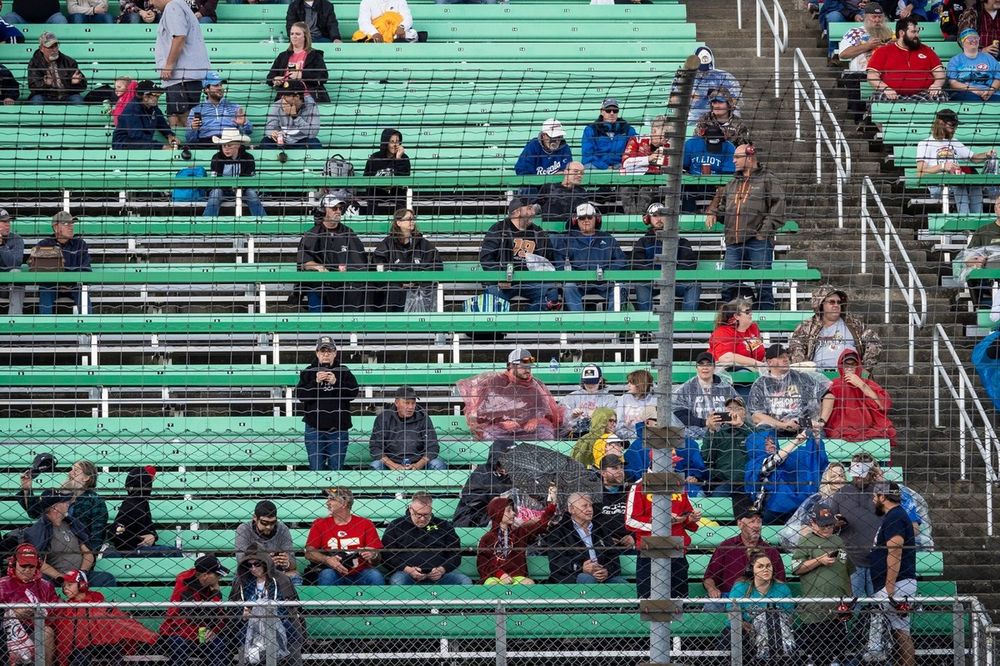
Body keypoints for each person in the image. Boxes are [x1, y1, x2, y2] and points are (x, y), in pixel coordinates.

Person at [705, 143, 785, 310]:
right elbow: (723, 210)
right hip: (733, 241)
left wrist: (763, 233)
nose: (733, 161)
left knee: (763, 286)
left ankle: (766, 323)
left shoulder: (768, 179)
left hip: (758, 241)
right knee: (728, 286)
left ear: (750, 157)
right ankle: (730, 324)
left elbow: (778, 209)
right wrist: (712, 212)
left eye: (737, 157)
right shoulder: (732, 183)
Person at [54, 569, 159, 666]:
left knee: (116, 654)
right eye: (64, 586)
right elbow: (65, 634)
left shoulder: (98, 603)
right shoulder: (67, 608)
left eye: (70, 585)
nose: (65, 588)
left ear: (82, 585)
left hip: (107, 644)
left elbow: (122, 621)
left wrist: (150, 636)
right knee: (80, 658)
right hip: (81, 647)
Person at [790, 505, 852, 666]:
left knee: (838, 652)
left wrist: (849, 597)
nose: (827, 529)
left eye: (830, 525)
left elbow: (847, 569)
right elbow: (796, 568)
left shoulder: (838, 540)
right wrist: (819, 560)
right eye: (823, 525)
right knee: (819, 653)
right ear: (813, 523)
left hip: (838, 605)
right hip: (815, 607)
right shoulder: (806, 540)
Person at [457, 348, 562, 441]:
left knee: (547, 433)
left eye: (529, 367)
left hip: (529, 429)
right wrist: (502, 422)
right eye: (523, 366)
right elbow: (482, 413)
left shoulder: (535, 385)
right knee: (491, 435)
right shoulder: (494, 382)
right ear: (511, 366)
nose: (527, 370)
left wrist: (536, 420)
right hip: (501, 430)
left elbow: (546, 411)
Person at [228, 545, 305, 665]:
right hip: (249, 625)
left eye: (257, 564)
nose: (253, 568)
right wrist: (242, 615)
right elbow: (232, 610)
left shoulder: (281, 579)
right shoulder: (241, 582)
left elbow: (291, 609)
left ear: (265, 563)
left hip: (280, 622)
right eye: (249, 565)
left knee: (289, 630)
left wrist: (267, 614)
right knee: (243, 633)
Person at [22, 490, 116, 588]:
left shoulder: (72, 524)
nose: (68, 504)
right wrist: (60, 577)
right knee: (43, 581)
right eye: (64, 502)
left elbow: (88, 553)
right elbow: (37, 562)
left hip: (80, 576)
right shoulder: (39, 530)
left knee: (107, 579)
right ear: (55, 508)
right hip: (56, 578)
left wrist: (81, 573)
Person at [626, 473, 700, 598]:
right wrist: (661, 524)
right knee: (650, 602)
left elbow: (685, 514)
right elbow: (630, 521)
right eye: (671, 462)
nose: (673, 467)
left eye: (674, 463)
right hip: (650, 546)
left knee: (678, 600)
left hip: (676, 545)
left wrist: (689, 519)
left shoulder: (676, 483)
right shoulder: (640, 485)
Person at [869, 482, 918, 666]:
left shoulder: (895, 516)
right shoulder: (895, 515)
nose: (873, 500)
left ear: (883, 497)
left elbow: (895, 550)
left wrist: (889, 589)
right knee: (900, 630)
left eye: (875, 496)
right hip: (897, 582)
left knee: (898, 631)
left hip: (896, 584)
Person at [479, 197, 558, 311]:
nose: (533, 212)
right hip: (505, 281)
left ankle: (528, 324)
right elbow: (486, 258)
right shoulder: (499, 229)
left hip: (531, 281)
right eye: (529, 209)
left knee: (551, 292)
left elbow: (549, 259)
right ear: (516, 212)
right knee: (492, 294)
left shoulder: (538, 232)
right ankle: (504, 327)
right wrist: (500, 277)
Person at [294, 335, 360, 470]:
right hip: (314, 429)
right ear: (317, 353)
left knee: (336, 469)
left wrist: (336, 383)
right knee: (316, 469)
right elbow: (301, 395)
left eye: (329, 351)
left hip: (338, 429)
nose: (326, 354)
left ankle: (333, 492)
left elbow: (353, 393)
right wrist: (316, 382)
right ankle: (318, 492)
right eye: (322, 351)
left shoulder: (344, 371)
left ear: (335, 353)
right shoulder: (308, 372)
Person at [296, 195, 369, 312]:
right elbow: (304, 262)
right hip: (321, 283)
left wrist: (349, 269)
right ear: (324, 210)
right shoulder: (312, 234)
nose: (338, 211)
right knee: (314, 289)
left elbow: (360, 260)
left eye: (340, 208)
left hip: (345, 283)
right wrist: (318, 267)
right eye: (334, 208)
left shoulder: (348, 232)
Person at [915, 108, 995, 214]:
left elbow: (974, 158)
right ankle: (965, 221)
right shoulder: (925, 143)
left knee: (975, 185)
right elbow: (920, 173)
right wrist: (942, 166)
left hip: (957, 183)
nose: (954, 128)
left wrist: (986, 154)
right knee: (959, 185)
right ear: (941, 123)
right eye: (952, 125)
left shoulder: (955, 142)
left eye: (955, 125)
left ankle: (976, 221)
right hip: (938, 186)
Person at [20, 460, 107, 557]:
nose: (70, 473)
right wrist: (27, 490)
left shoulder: (95, 501)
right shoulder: (58, 496)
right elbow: (34, 513)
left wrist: (87, 559)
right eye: (71, 469)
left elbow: (97, 536)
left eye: (76, 471)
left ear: (86, 478)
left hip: (78, 552)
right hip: (51, 547)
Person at [828, 452, 884, 600]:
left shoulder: (881, 492)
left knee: (880, 605)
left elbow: (896, 512)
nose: (858, 476)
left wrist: (881, 480)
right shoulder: (841, 493)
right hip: (852, 559)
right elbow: (829, 526)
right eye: (856, 471)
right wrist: (836, 523)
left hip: (878, 558)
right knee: (853, 604)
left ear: (871, 472)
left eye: (863, 472)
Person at [381, 492, 472, 585]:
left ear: (431, 510)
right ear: (410, 509)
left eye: (426, 514)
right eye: (418, 514)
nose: (422, 519)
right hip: (406, 575)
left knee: (464, 581)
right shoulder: (396, 526)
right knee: (398, 581)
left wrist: (442, 569)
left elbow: (455, 554)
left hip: (440, 575)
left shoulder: (444, 526)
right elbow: (387, 554)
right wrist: (407, 569)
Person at [788, 285, 884, 370]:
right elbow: (796, 348)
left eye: (839, 303)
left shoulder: (854, 324)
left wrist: (864, 369)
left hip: (850, 377)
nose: (836, 305)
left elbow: (874, 341)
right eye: (832, 302)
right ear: (821, 304)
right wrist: (807, 372)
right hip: (819, 379)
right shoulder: (807, 326)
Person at [745, 429, 828, 526]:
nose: (772, 445)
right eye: (766, 444)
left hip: (795, 509)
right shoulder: (754, 464)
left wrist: (816, 435)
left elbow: (813, 456)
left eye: (773, 442)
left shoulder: (790, 459)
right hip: (769, 511)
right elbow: (772, 462)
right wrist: (795, 442)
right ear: (756, 447)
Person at [553, 202, 626, 312]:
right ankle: (578, 325)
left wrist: (606, 272)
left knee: (619, 288)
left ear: (596, 219)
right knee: (569, 287)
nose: (586, 220)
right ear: (575, 220)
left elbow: (621, 260)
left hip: (604, 280)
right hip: (578, 282)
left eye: (589, 217)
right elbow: (560, 263)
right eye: (582, 218)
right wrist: (575, 275)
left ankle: (612, 325)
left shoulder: (607, 238)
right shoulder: (566, 239)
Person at [726, 550, 796, 664]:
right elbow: (731, 612)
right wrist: (743, 625)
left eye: (768, 566)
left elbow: (788, 616)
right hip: (743, 629)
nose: (765, 569)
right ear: (751, 570)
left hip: (775, 629)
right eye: (760, 566)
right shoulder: (740, 587)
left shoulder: (782, 589)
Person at [159, 554, 230, 666]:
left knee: (219, 644)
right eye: (217, 575)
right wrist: (215, 594)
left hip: (202, 631)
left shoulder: (210, 585)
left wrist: (212, 629)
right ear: (205, 575)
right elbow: (191, 616)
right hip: (180, 632)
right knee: (179, 644)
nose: (219, 578)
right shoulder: (185, 584)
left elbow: (220, 615)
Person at [305, 486, 384, 585]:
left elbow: (377, 558)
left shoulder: (365, 524)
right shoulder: (319, 524)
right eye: (328, 499)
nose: (327, 503)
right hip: (333, 571)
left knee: (375, 576)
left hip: (361, 572)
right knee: (327, 575)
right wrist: (327, 560)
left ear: (344, 503)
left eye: (332, 499)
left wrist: (373, 555)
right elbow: (309, 553)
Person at [631, 202, 702, 312]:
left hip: (675, 282)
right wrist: (658, 275)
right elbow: (637, 264)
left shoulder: (682, 241)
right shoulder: (643, 242)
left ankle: (686, 325)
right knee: (641, 285)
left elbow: (689, 264)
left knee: (694, 284)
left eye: (662, 215)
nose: (659, 219)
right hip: (651, 282)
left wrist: (670, 275)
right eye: (655, 216)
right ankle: (647, 326)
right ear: (648, 219)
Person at [152, 0, 212, 128]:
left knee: (182, 117)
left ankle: (189, 146)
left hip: (181, 76)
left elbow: (179, 36)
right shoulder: (181, 6)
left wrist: (168, 65)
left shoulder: (172, 7)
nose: (151, 3)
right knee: (180, 115)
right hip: (186, 75)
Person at [703, 509, 786, 600]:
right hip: (729, 597)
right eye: (751, 522)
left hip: (762, 599)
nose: (756, 526)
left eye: (759, 522)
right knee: (712, 605)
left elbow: (780, 581)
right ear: (740, 524)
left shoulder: (771, 551)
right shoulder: (726, 547)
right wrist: (712, 589)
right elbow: (709, 578)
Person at [370, 208, 442, 312]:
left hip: (418, 288)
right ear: (398, 222)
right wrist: (400, 282)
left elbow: (436, 264)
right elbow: (378, 265)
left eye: (413, 219)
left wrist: (418, 280)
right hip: (395, 291)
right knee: (392, 289)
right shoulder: (387, 244)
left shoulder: (423, 243)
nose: (412, 221)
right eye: (408, 219)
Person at [476, 492, 556, 585]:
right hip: (494, 577)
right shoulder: (487, 538)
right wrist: (500, 574)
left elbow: (541, 525)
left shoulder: (520, 533)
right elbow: (482, 563)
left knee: (529, 583)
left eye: (512, 510)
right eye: (509, 511)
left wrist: (552, 506)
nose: (513, 513)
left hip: (516, 577)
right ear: (498, 513)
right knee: (493, 586)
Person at [547, 491, 625, 584]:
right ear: (572, 509)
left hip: (601, 574)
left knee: (621, 583)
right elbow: (556, 561)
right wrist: (581, 567)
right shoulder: (559, 531)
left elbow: (613, 557)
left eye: (590, 505)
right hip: (573, 576)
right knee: (588, 579)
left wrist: (607, 571)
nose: (589, 509)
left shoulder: (601, 529)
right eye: (584, 506)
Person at [824, 349, 897, 447]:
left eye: (853, 365)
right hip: (840, 428)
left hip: (866, 427)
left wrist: (861, 385)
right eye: (846, 365)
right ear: (841, 366)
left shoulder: (867, 383)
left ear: (857, 366)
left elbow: (883, 405)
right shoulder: (834, 385)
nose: (849, 368)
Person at [0, 544, 58, 666]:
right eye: (23, 565)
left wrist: (39, 613)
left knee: (47, 631)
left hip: (35, 631)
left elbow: (56, 613)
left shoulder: (46, 586)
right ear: (13, 563)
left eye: (31, 566)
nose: (27, 569)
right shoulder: (2, 585)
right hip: (7, 634)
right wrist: (13, 613)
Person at [867, 16, 947, 102]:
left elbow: (940, 73)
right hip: (892, 95)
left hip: (923, 95)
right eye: (913, 32)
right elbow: (872, 75)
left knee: (940, 96)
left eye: (917, 32)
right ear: (902, 33)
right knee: (878, 97)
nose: (917, 35)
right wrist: (885, 88)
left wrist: (937, 85)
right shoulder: (883, 51)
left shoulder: (927, 50)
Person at [106, 466, 178, 557]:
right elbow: (115, 533)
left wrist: (152, 536)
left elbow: (150, 530)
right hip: (131, 549)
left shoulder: (142, 503)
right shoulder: (132, 505)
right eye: (150, 480)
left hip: (139, 547)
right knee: (169, 551)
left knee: (173, 550)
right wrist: (139, 539)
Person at [701, 396, 755, 518]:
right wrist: (711, 431)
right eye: (730, 408)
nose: (733, 411)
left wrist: (741, 425)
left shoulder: (752, 430)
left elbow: (760, 447)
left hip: (749, 482)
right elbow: (706, 457)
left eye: (737, 408)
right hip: (725, 482)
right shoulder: (718, 432)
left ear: (744, 412)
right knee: (714, 504)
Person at [369, 386, 446, 470]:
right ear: (396, 403)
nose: (410, 407)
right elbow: (375, 447)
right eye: (406, 403)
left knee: (437, 464)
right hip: (390, 463)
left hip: (419, 463)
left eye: (413, 403)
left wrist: (418, 465)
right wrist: (392, 465)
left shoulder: (423, 418)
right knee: (376, 465)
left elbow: (433, 447)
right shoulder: (383, 418)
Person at [32, 212, 93, 315]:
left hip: (74, 285)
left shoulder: (80, 244)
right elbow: (39, 270)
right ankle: (45, 327)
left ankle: (88, 328)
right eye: (66, 224)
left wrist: (69, 283)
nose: (71, 227)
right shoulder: (44, 244)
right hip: (51, 285)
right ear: (56, 228)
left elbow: (85, 269)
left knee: (82, 290)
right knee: (45, 288)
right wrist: (58, 283)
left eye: (72, 223)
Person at [778, 462, 849, 549]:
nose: (838, 479)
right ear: (826, 480)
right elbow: (803, 525)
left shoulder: (853, 498)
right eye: (833, 477)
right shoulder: (817, 499)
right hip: (818, 539)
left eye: (841, 476)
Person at [839, 5, 893, 118]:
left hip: (887, 74)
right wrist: (867, 46)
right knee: (853, 78)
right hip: (861, 73)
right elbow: (844, 54)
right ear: (866, 17)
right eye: (874, 17)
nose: (877, 20)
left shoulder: (891, 34)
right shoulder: (855, 32)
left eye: (880, 17)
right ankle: (859, 119)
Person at [673, 351, 739, 441]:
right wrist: (705, 422)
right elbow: (679, 415)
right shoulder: (685, 389)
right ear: (696, 368)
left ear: (714, 368)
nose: (705, 367)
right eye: (701, 364)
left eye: (709, 364)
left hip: (725, 435)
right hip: (694, 437)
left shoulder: (727, 388)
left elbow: (739, 409)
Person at [235, 500, 301, 585]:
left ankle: (291, 598)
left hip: (278, 572)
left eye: (273, 522)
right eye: (264, 522)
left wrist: (286, 563)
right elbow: (242, 560)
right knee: (238, 579)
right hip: (252, 571)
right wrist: (266, 561)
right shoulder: (244, 529)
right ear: (255, 517)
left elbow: (293, 564)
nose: (269, 526)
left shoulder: (283, 529)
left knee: (295, 577)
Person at [204, 129, 267, 217]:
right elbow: (215, 181)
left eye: (229, 145)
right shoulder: (217, 158)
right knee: (216, 193)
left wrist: (240, 187)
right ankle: (206, 222)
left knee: (251, 193)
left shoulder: (248, 157)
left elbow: (250, 180)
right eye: (223, 145)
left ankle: (262, 222)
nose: (226, 148)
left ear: (238, 145)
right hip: (223, 190)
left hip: (244, 190)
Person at [453, 438, 515, 527]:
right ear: (495, 461)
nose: (505, 469)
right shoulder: (482, 472)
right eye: (501, 465)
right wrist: (497, 498)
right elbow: (471, 500)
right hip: (477, 515)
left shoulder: (517, 474)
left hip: (508, 513)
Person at [267, 22, 331, 103]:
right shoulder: (283, 56)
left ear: (305, 36)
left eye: (297, 34)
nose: (294, 36)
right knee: (275, 111)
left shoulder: (315, 55)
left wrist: (301, 75)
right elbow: (269, 77)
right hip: (285, 97)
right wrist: (275, 80)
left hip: (308, 96)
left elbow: (323, 77)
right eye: (292, 34)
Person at [185, 72, 252, 146]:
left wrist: (243, 124)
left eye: (220, 85)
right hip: (207, 144)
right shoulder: (196, 110)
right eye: (216, 85)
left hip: (231, 142)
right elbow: (190, 139)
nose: (220, 88)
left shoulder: (235, 107)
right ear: (207, 89)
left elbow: (249, 131)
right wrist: (193, 129)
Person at [681, 125, 736, 213]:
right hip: (692, 184)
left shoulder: (729, 147)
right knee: (686, 187)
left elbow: (728, 175)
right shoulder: (691, 143)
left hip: (715, 186)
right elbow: (684, 166)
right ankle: (687, 215)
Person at [112, 79, 179, 149]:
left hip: (141, 145)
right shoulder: (132, 110)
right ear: (145, 97)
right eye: (156, 95)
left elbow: (161, 123)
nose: (158, 98)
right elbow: (137, 137)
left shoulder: (153, 107)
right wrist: (161, 147)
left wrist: (169, 135)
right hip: (123, 146)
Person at [559, 364, 618, 438]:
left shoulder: (609, 398)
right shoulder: (572, 397)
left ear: (600, 380)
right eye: (587, 382)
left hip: (601, 434)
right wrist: (572, 415)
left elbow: (613, 420)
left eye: (593, 382)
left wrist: (598, 415)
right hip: (576, 434)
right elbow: (562, 420)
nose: (590, 385)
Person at [27, 32, 87, 105]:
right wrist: (45, 84)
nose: (54, 49)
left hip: (66, 96)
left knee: (78, 100)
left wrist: (75, 83)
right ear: (41, 48)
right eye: (50, 47)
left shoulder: (69, 61)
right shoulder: (35, 63)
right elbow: (32, 87)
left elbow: (83, 86)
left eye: (55, 46)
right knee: (37, 100)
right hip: (45, 96)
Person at [688, 46, 742, 124]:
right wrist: (692, 98)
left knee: (735, 113)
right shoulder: (685, 78)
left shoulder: (725, 77)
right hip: (694, 116)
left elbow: (737, 100)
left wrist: (720, 98)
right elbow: (673, 99)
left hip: (720, 115)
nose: (703, 73)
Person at [581, 97, 637, 171]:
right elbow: (588, 155)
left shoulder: (627, 129)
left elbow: (636, 147)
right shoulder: (591, 129)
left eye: (615, 110)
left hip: (620, 165)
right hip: (597, 165)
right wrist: (605, 167)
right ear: (602, 112)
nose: (612, 113)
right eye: (608, 110)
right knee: (588, 166)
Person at [262, 80, 321, 149]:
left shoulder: (311, 106)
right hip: (281, 141)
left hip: (301, 141)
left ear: (297, 96)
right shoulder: (277, 105)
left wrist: (295, 117)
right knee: (265, 142)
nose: (282, 97)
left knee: (314, 143)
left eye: (286, 95)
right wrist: (272, 133)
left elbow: (313, 133)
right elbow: (269, 128)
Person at [964, 195, 1000, 307]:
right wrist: (977, 261)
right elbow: (967, 259)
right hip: (990, 278)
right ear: (995, 209)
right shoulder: (984, 231)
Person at [363, 128, 411, 211]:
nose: (395, 145)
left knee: (401, 191)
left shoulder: (404, 158)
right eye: (392, 142)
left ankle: (400, 219)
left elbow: (404, 178)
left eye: (397, 141)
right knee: (371, 192)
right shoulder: (375, 157)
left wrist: (398, 159)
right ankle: (372, 220)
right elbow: (366, 178)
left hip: (395, 192)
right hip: (378, 191)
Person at [948, 28, 1000, 100]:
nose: (974, 40)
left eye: (976, 38)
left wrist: (990, 91)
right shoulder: (955, 60)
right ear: (962, 42)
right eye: (970, 38)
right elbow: (953, 83)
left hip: (990, 93)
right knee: (971, 99)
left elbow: (998, 78)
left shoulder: (990, 58)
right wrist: (975, 90)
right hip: (966, 92)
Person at [616, 368, 656, 441]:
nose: (628, 385)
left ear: (641, 384)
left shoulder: (654, 400)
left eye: (632, 383)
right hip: (627, 439)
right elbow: (619, 426)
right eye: (628, 382)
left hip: (650, 439)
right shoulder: (624, 398)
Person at [0, 208, 24, 315]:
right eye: (4, 222)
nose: (8, 224)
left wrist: (2, 246)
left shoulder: (17, 239)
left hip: (8, 286)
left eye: (8, 221)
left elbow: (15, 264)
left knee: (16, 273)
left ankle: (15, 320)